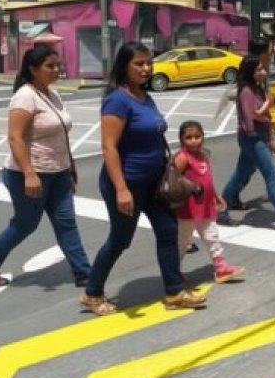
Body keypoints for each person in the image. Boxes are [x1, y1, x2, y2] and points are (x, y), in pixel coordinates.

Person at [81, 42, 207, 316]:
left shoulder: (144, 96)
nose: (146, 68)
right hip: (128, 183)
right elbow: (109, 147)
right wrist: (121, 189)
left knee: (167, 232)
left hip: (153, 182)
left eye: (149, 62)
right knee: (120, 239)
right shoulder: (117, 99)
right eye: (139, 63)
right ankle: (92, 293)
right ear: (124, 66)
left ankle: (173, 291)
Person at [0, 46, 90, 287]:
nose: (56, 70)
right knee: (25, 224)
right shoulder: (25, 96)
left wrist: (70, 165)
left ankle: (84, 273)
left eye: (58, 65)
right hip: (28, 174)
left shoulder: (52, 93)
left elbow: (61, 133)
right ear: (33, 69)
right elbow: (15, 137)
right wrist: (30, 173)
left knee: (66, 223)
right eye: (50, 66)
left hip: (58, 173)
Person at [220, 54, 275, 232]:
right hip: (252, 137)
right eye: (259, 69)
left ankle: (221, 208)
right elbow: (251, 117)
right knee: (271, 176)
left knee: (241, 172)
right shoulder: (246, 91)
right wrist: (268, 103)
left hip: (257, 135)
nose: (263, 72)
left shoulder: (257, 88)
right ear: (250, 71)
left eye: (263, 68)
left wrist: (271, 135)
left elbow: (263, 115)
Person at [173, 120, 245, 284]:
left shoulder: (203, 156)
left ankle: (221, 269)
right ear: (181, 140)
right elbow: (173, 180)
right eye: (189, 137)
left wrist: (216, 196)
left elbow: (207, 179)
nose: (194, 140)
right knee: (182, 242)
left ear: (203, 137)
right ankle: (173, 272)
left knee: (212, 236)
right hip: (187, 209)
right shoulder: (182, 157)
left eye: (197, 136)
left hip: (204, 206)